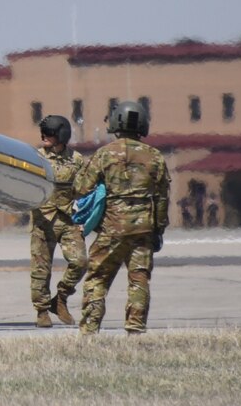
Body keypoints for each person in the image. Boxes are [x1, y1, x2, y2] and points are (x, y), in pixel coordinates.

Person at [72, 101, 171, 335]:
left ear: (116, 122)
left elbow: (82, 187)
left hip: (111, 230)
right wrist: (158, 231)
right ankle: (135, 328)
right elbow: (162, 199)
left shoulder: (104, 154)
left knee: (97, 278)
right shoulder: (155, 157)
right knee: (139, 281)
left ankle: (89, 329)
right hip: (143, 231)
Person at [29, 113, 86, 326]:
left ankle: (60, 298)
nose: (44, 136)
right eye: (43, 132)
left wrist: (85, 217)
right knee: (40, 269)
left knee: (80, 262)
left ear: (61, 135)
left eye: (49, 133)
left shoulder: (77, 160)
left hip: (69, 219)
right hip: (43, 219)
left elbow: (85, 189)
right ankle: (42, 310)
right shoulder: (35, 158)